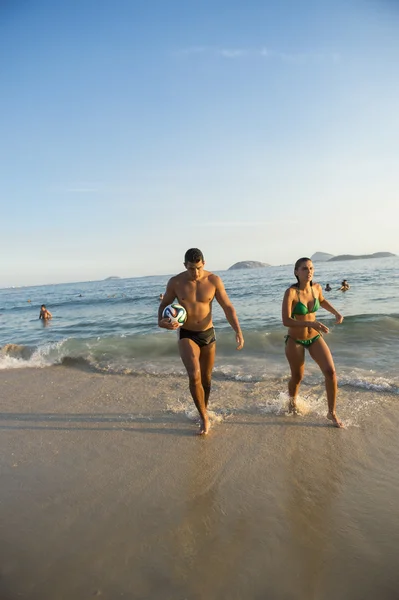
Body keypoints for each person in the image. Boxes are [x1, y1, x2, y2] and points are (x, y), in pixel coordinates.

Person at [158, 248, 244, 435]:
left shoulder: (214, 281)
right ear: (185, 266)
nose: (195, 273)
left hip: (208, 333)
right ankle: (204, 418)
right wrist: (161, 322)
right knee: (194, 374)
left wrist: (237, 330)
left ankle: (202, 409)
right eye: (191, 268)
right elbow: (164, 304)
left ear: (204, 263)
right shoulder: (176, 282)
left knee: (206, 379)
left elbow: (228, 307)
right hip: (187, 333)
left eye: (198, 268)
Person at [282, 257, 344, 428]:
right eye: (304, 268)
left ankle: (331, 413)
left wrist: (336, 313)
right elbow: (286, 320)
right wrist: (310, 323)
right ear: (296, 272)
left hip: (314, 337)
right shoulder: (291, 293)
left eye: (311, 268)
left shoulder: (316, 288)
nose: (308, 271)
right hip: (295, 340)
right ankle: (292, 403)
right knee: (297, 377)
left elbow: (322, 301)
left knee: (330, 372)